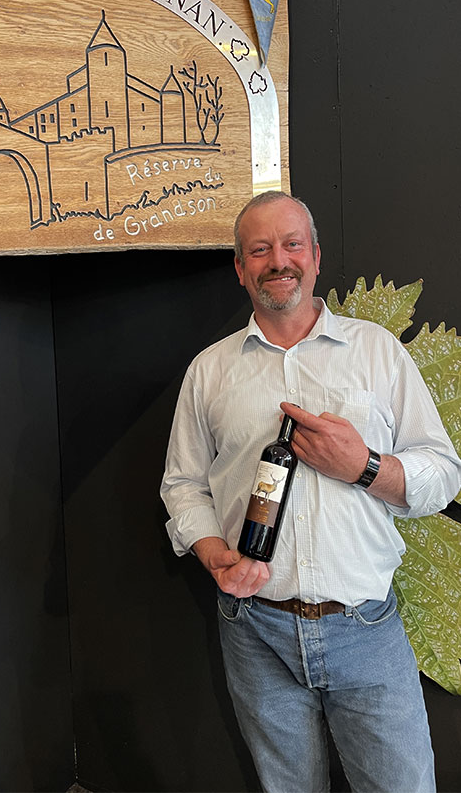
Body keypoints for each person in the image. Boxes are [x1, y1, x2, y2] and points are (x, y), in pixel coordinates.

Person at [160, 190, 461, 793]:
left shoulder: (377, 352)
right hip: (255, 631)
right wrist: (214, 555)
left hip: (366, 628)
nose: (279, 260)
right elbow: (183, 485)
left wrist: (364, 466)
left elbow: (442, 474)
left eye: (292, 244)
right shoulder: (209, 371)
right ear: (240, 268)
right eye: (260, 249)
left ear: (316, 257)